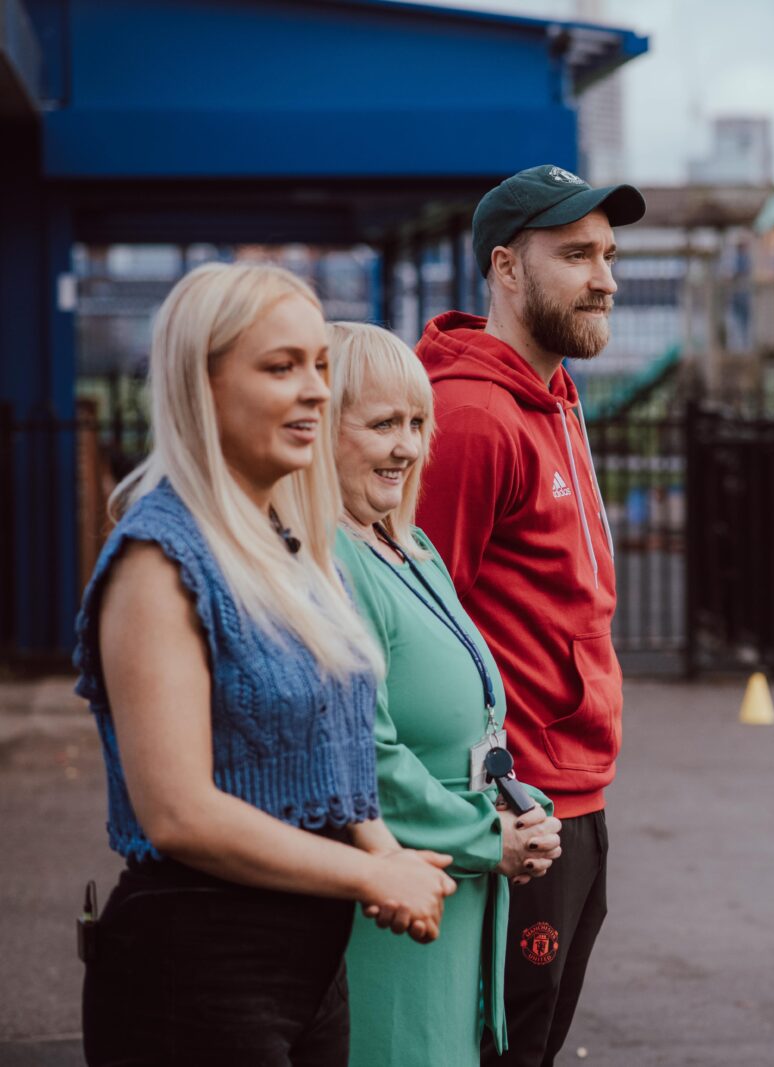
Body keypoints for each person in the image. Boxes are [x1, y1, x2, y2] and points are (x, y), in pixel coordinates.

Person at [75, 263, 457, 1066]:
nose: (317, 390)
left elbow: (336, 749)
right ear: (201, 385)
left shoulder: (288, 543)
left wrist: (383, 849)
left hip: (309, 969)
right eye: (281, 367)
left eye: (320, 364)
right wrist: (371, 877)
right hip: (195, 967)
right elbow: (178, 813)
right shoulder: (159, 558)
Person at [414, 164, 645, 1066]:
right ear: (507, 269)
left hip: (577, 795)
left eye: (610, 253)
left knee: (534, 1043)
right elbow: (419, 618)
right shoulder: (471, 418)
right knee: (497, 1049)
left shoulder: (555, 397)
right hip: (517, 804)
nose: (607, 277)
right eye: (578, 254)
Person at [327, 322, 564, 1065]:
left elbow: (472, 721)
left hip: (459, 898)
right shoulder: (334, 560)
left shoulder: (409, 544)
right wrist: (488, 835)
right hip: (399, 905)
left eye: (417, 423)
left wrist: (519, 807)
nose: (407, 446)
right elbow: (366, 752)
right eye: (382, 423)